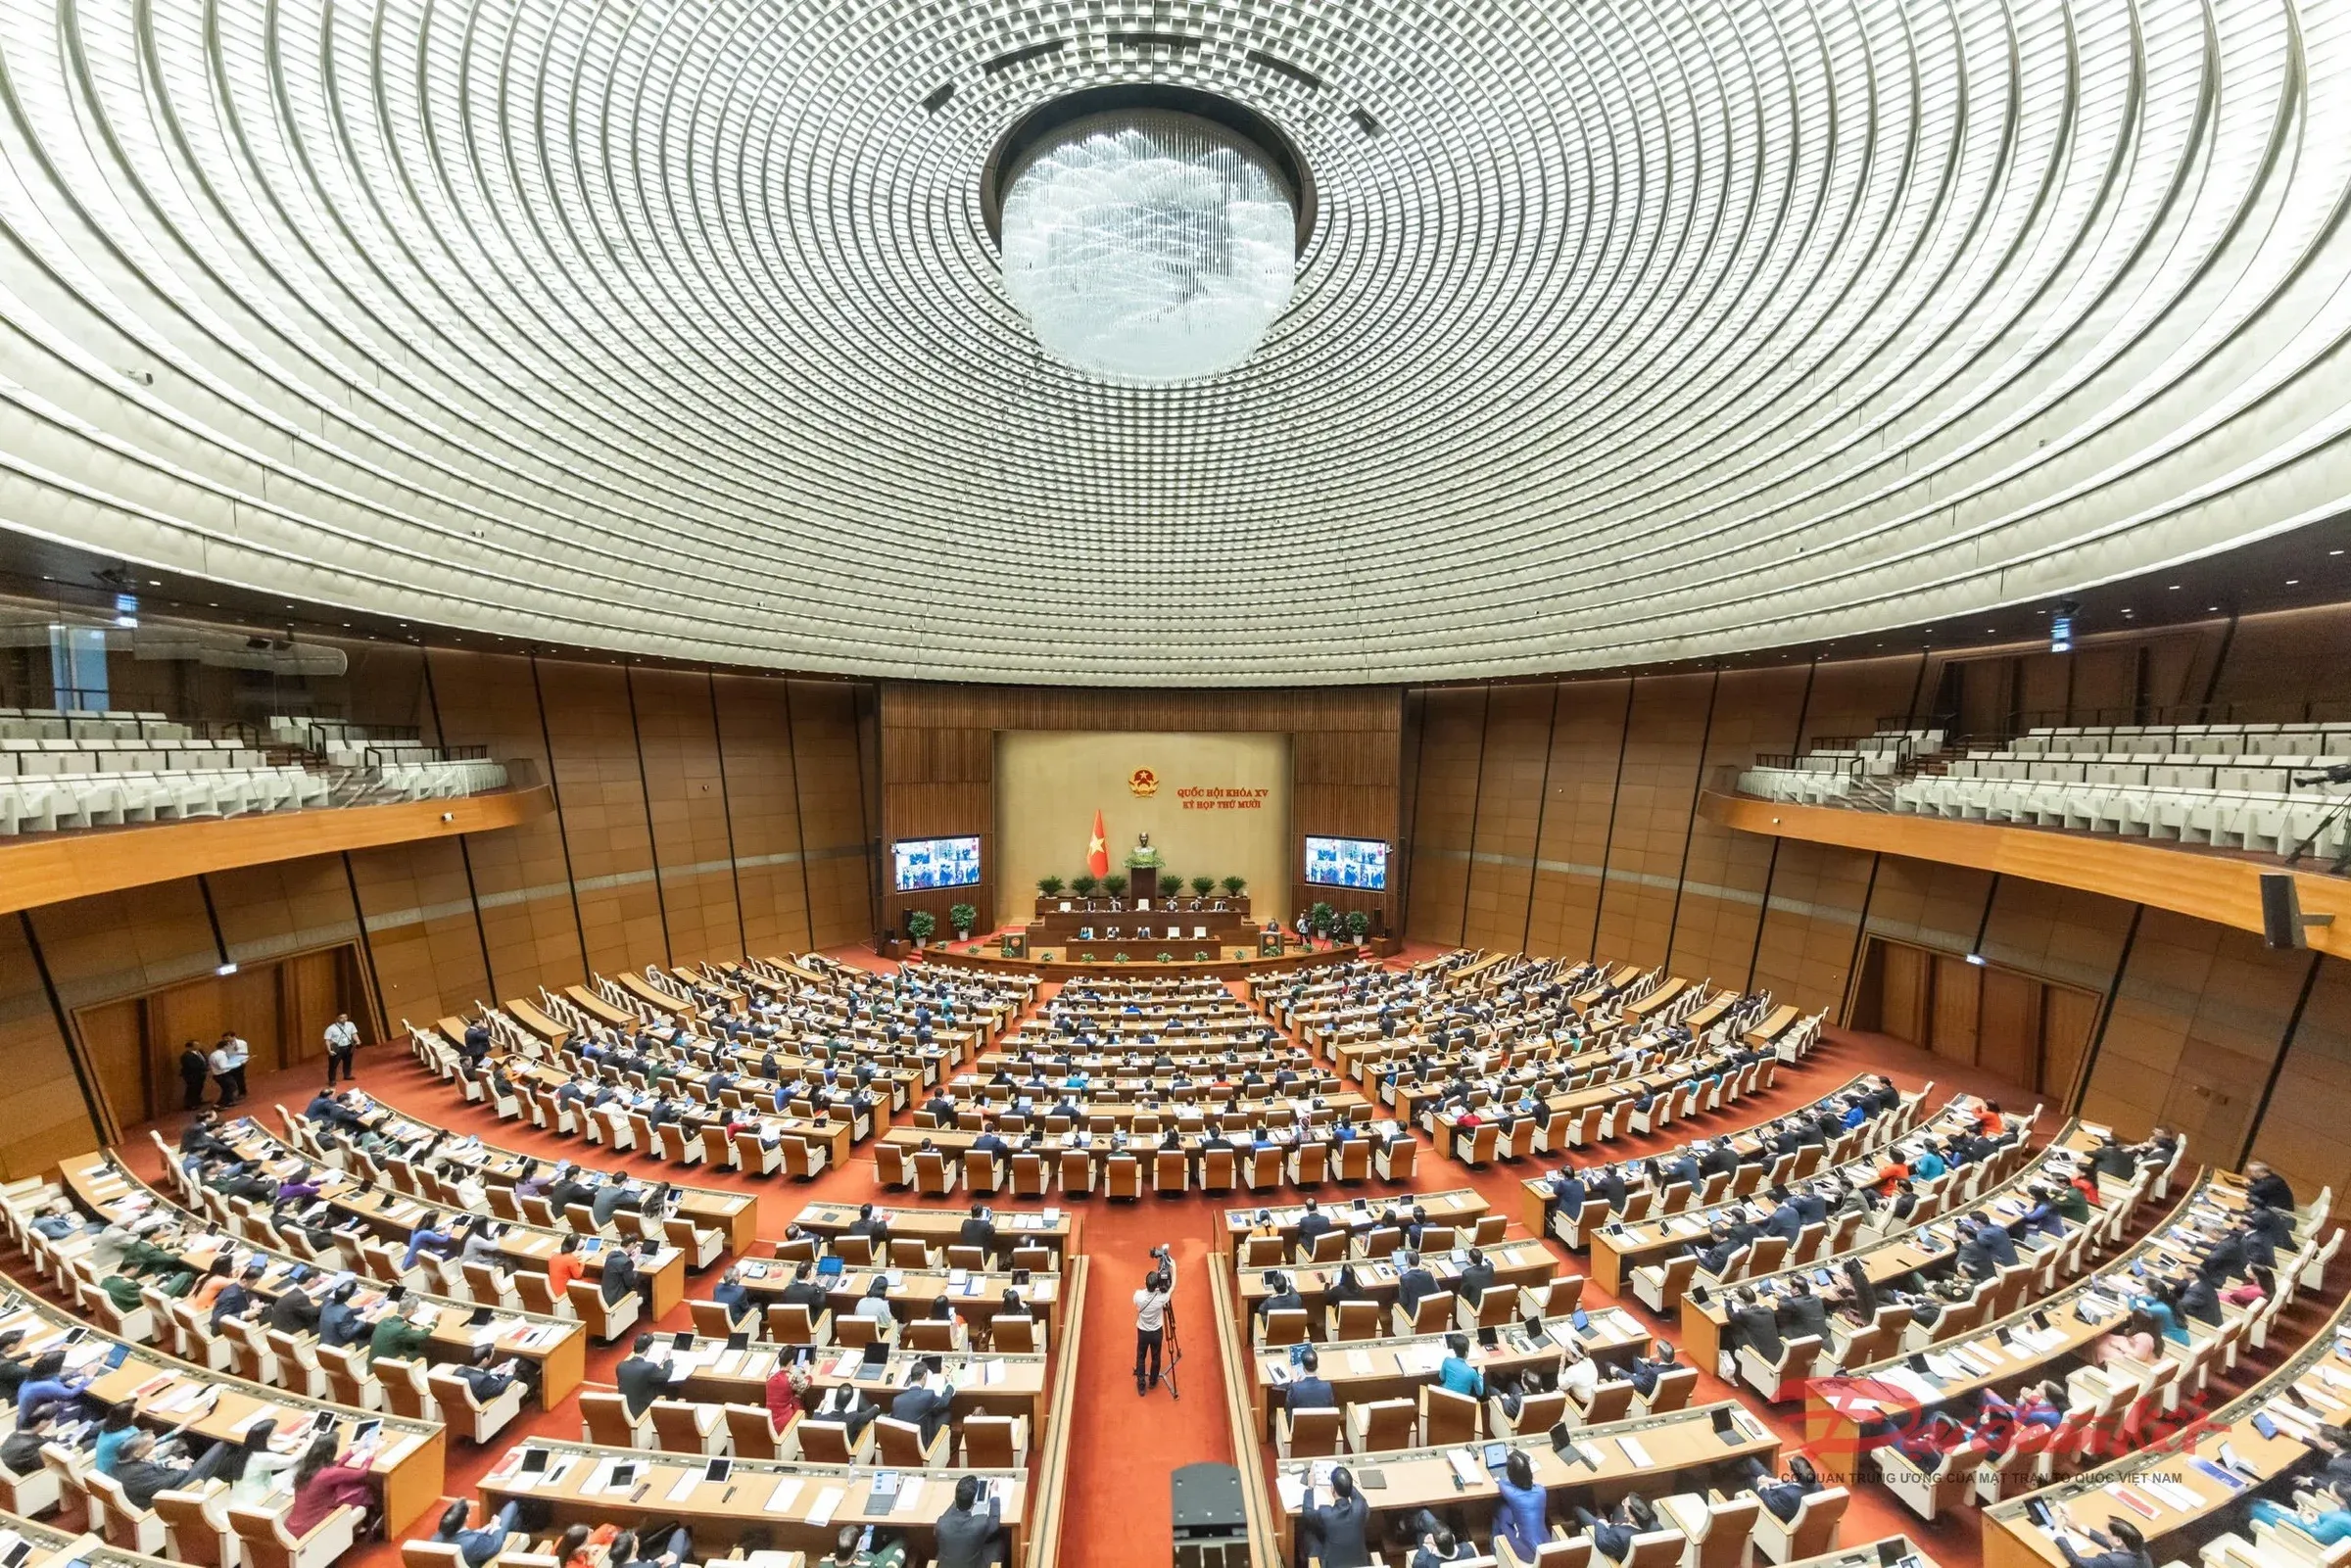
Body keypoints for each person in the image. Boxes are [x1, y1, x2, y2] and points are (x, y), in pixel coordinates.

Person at [285, 1429, 379, 1536]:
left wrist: (355, 1450)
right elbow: (362, 1473)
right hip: (311, 1528)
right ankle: (364, 1527)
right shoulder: (328, 1474)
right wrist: (371, 1453)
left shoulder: (308, 1468)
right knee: (363, 1490)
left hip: (292, 1526)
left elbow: (334, 1468)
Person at [114, 1431, 235, 1509]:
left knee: (225, 1461)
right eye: (149, 1445)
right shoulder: (134, 1473)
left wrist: (174, 1465)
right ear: (136, 1453)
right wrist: (183, 1468)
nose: (153, 1445)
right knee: (221, 1446)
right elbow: (163, 1484)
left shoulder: (125, 1464)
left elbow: (156, 1474)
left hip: (166, 1486)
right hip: (170, 1495)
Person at [1299, 1467, 1373, 1568]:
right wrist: (1346, 1483)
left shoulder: (1326, 1514)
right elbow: (1360, 1499)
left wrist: (1310, 1487)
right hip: (1360, 1564)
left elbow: (1307, 1512)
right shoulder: (1360, 1508)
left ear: (1332, 1489)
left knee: (1309, 1531)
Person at [933, 1474, 1004, 1568]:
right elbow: (994, 1522)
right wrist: (994, 1491)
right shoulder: (980, 1523)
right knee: (998, 1541)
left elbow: (946, 1518)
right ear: (974, 1501)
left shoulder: (941, 1523)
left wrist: (960, 1498)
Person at [434, 1498, 524, 1568]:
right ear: (466, 1519)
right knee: (512, 1506)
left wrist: (479, 1531)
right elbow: (496, 1544)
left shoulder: (436, 1539)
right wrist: (495, 1527)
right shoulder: (474, 1543)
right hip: (483, 1557)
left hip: (469, 1557)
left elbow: (461, 1537)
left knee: (515, 1519)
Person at [1494, 1449, 1549, 1561]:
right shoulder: (1541, 1491)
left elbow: (1501, 1483)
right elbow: (1536, 1484)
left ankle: (1495, 1550)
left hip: (1528, 1553)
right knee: (1509, 1511)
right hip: (1545, 1546)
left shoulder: (1513, 1495)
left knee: (1500, 1509)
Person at [1134, 1250, 1175, 1396]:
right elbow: (1172, 1286)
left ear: (1146, 1283)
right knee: (1156, 1356)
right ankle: (1152, 1381)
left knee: (1141, 1357)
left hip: (1143, 1333)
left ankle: (1141, 1385)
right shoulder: (1162, 1298)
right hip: (1157, 1332)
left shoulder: (1138, 1295)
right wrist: (1173, 1268)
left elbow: (1139, 1296)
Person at [1574, 1496, 1659, 1563]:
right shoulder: (1657, 1528)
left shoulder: (1619, 1536)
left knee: (1577, 1510)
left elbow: (1601, 1542)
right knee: (1617, 1508)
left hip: (1611, 1543)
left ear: (1631, 1518)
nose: (1623, 1504)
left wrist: (1601, 1523)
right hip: (1627, 1539)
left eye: (1624, 1504)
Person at [1743, 1456, 1820, 1523]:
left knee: (1750, 1479)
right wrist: (1776, 1481)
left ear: (1793, 1474)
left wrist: (1763, 1487)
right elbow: (1795, 1485)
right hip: (1780, 1492)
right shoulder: (1817, 1485)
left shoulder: (1787, 1496)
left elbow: (1770, 1504)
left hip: (1772, 1503)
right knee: (1751, 1462)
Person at [2054, 1517, 2154, 1568]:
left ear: (2118, 1541)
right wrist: (2078, 1527)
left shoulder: (2111, 1561)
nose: (2103, 1533)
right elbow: (2109, 1543)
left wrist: (2059, 1535)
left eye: (2107, 1532)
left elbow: (2079, 1563)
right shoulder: (2140, 1552)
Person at [616, 1333, 667, 1419]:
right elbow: (665, 1375)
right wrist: (668, 1361)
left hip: (624, 1411)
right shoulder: (649, 1367)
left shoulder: (620, 1366)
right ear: (648, 1348)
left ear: (633, 1347)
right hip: (643, 1415)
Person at [1285, 1346, 1335, 1411]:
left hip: (1301, 1418)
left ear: (1303, 1367)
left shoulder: (1295, 1387)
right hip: (1322, 1418)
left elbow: (1287, 1408)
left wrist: (1293, 1382)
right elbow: (1331, 1407)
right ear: (1317, 1366)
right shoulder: (1327, 1386)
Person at [1438, 1333, 1484, 1398]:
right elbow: (1480, 1392)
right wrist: (1481, 1374)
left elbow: (1442, 1378)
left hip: (1445, 1398)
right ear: (1466, 1353)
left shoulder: (1447, 1361)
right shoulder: (1472, 1372)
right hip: (1462, 1402)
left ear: (1454, 1349)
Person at [324, 1014, 361, 1085]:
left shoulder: (350, 1024)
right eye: (341, 1018)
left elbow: (354, 1033)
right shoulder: (331, 1028)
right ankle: (332, 1080)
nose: (344, 1019)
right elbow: (327, 1040)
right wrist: (329, 1050)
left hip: (348, 1046)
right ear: (337, 1018)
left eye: (345, 1017)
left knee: (348, 1062)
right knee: (333, 1065)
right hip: (337, 1048)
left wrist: (358, 1040)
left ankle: (347, 1075)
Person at [179, 1040, 212, 1111]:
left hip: (201, 1074)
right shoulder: (186, 1055)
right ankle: (190, 1105)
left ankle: (197, 1101)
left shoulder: (200, 1052)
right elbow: (191, 1066)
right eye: (196, 1045)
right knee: (192, 1089)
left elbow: (204, 1060)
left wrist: (206, 1066)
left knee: (199, 1088)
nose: (198, 1046)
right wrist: (204, 1068)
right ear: (190, 1046)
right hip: (192, 1075)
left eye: (198, 1044)